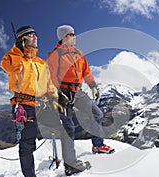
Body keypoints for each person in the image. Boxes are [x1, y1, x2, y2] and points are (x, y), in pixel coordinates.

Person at [0, 25, 90, 177]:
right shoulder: (15, 59)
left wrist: (54, 98)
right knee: (28, 143)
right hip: (25, 106)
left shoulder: (40, 62)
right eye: (31, 35)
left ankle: (70, 164)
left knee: (67, 127)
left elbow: (48, 84)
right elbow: (6, 65)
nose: (35, 37)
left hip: (42, 104)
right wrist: (18, 49)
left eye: (36, 35)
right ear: (22, 39)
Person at [47, 24, 115, 154]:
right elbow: (50, 76)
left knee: (97, 114)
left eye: (74, 34)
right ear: (63, 37)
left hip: (77, 92)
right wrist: (58, 93)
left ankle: (98, 146)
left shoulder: (79, 54)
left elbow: (86, 72)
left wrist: (93, 86)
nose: (74, 36)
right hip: (63, 93)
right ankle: (70, 159)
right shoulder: (55, 55)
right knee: (68, 125)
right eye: (71, 34)